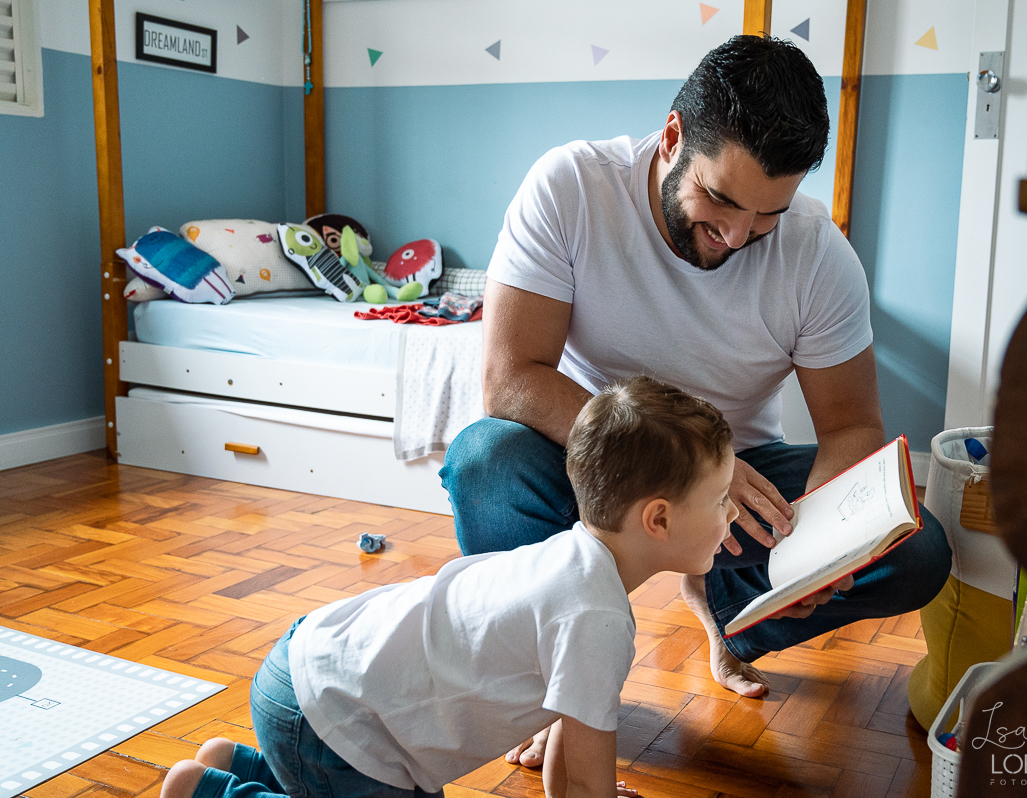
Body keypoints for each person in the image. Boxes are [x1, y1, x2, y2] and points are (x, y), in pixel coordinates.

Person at [440, 34, 952, 765]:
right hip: (592, 459)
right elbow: (512, 378)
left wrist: (817, 555)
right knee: (486, 459)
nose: (735, 237)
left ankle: (729, 615)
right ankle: (543, 676)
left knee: (919, 550)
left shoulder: (818, 254)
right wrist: (675, 458)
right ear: (673, 136)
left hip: (738, 482)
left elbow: (851, 425)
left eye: (765, 217)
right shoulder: (572, 187)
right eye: (719, 199)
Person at [160, 377, 741, 798]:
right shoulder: (597, 619)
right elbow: (586, 775)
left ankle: (236, 768)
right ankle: (209, 794)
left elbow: (572, 730)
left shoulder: (571, 559)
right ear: (658, 520)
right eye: (719, 501)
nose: (730, 515)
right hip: (337, 722)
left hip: (310, 672)